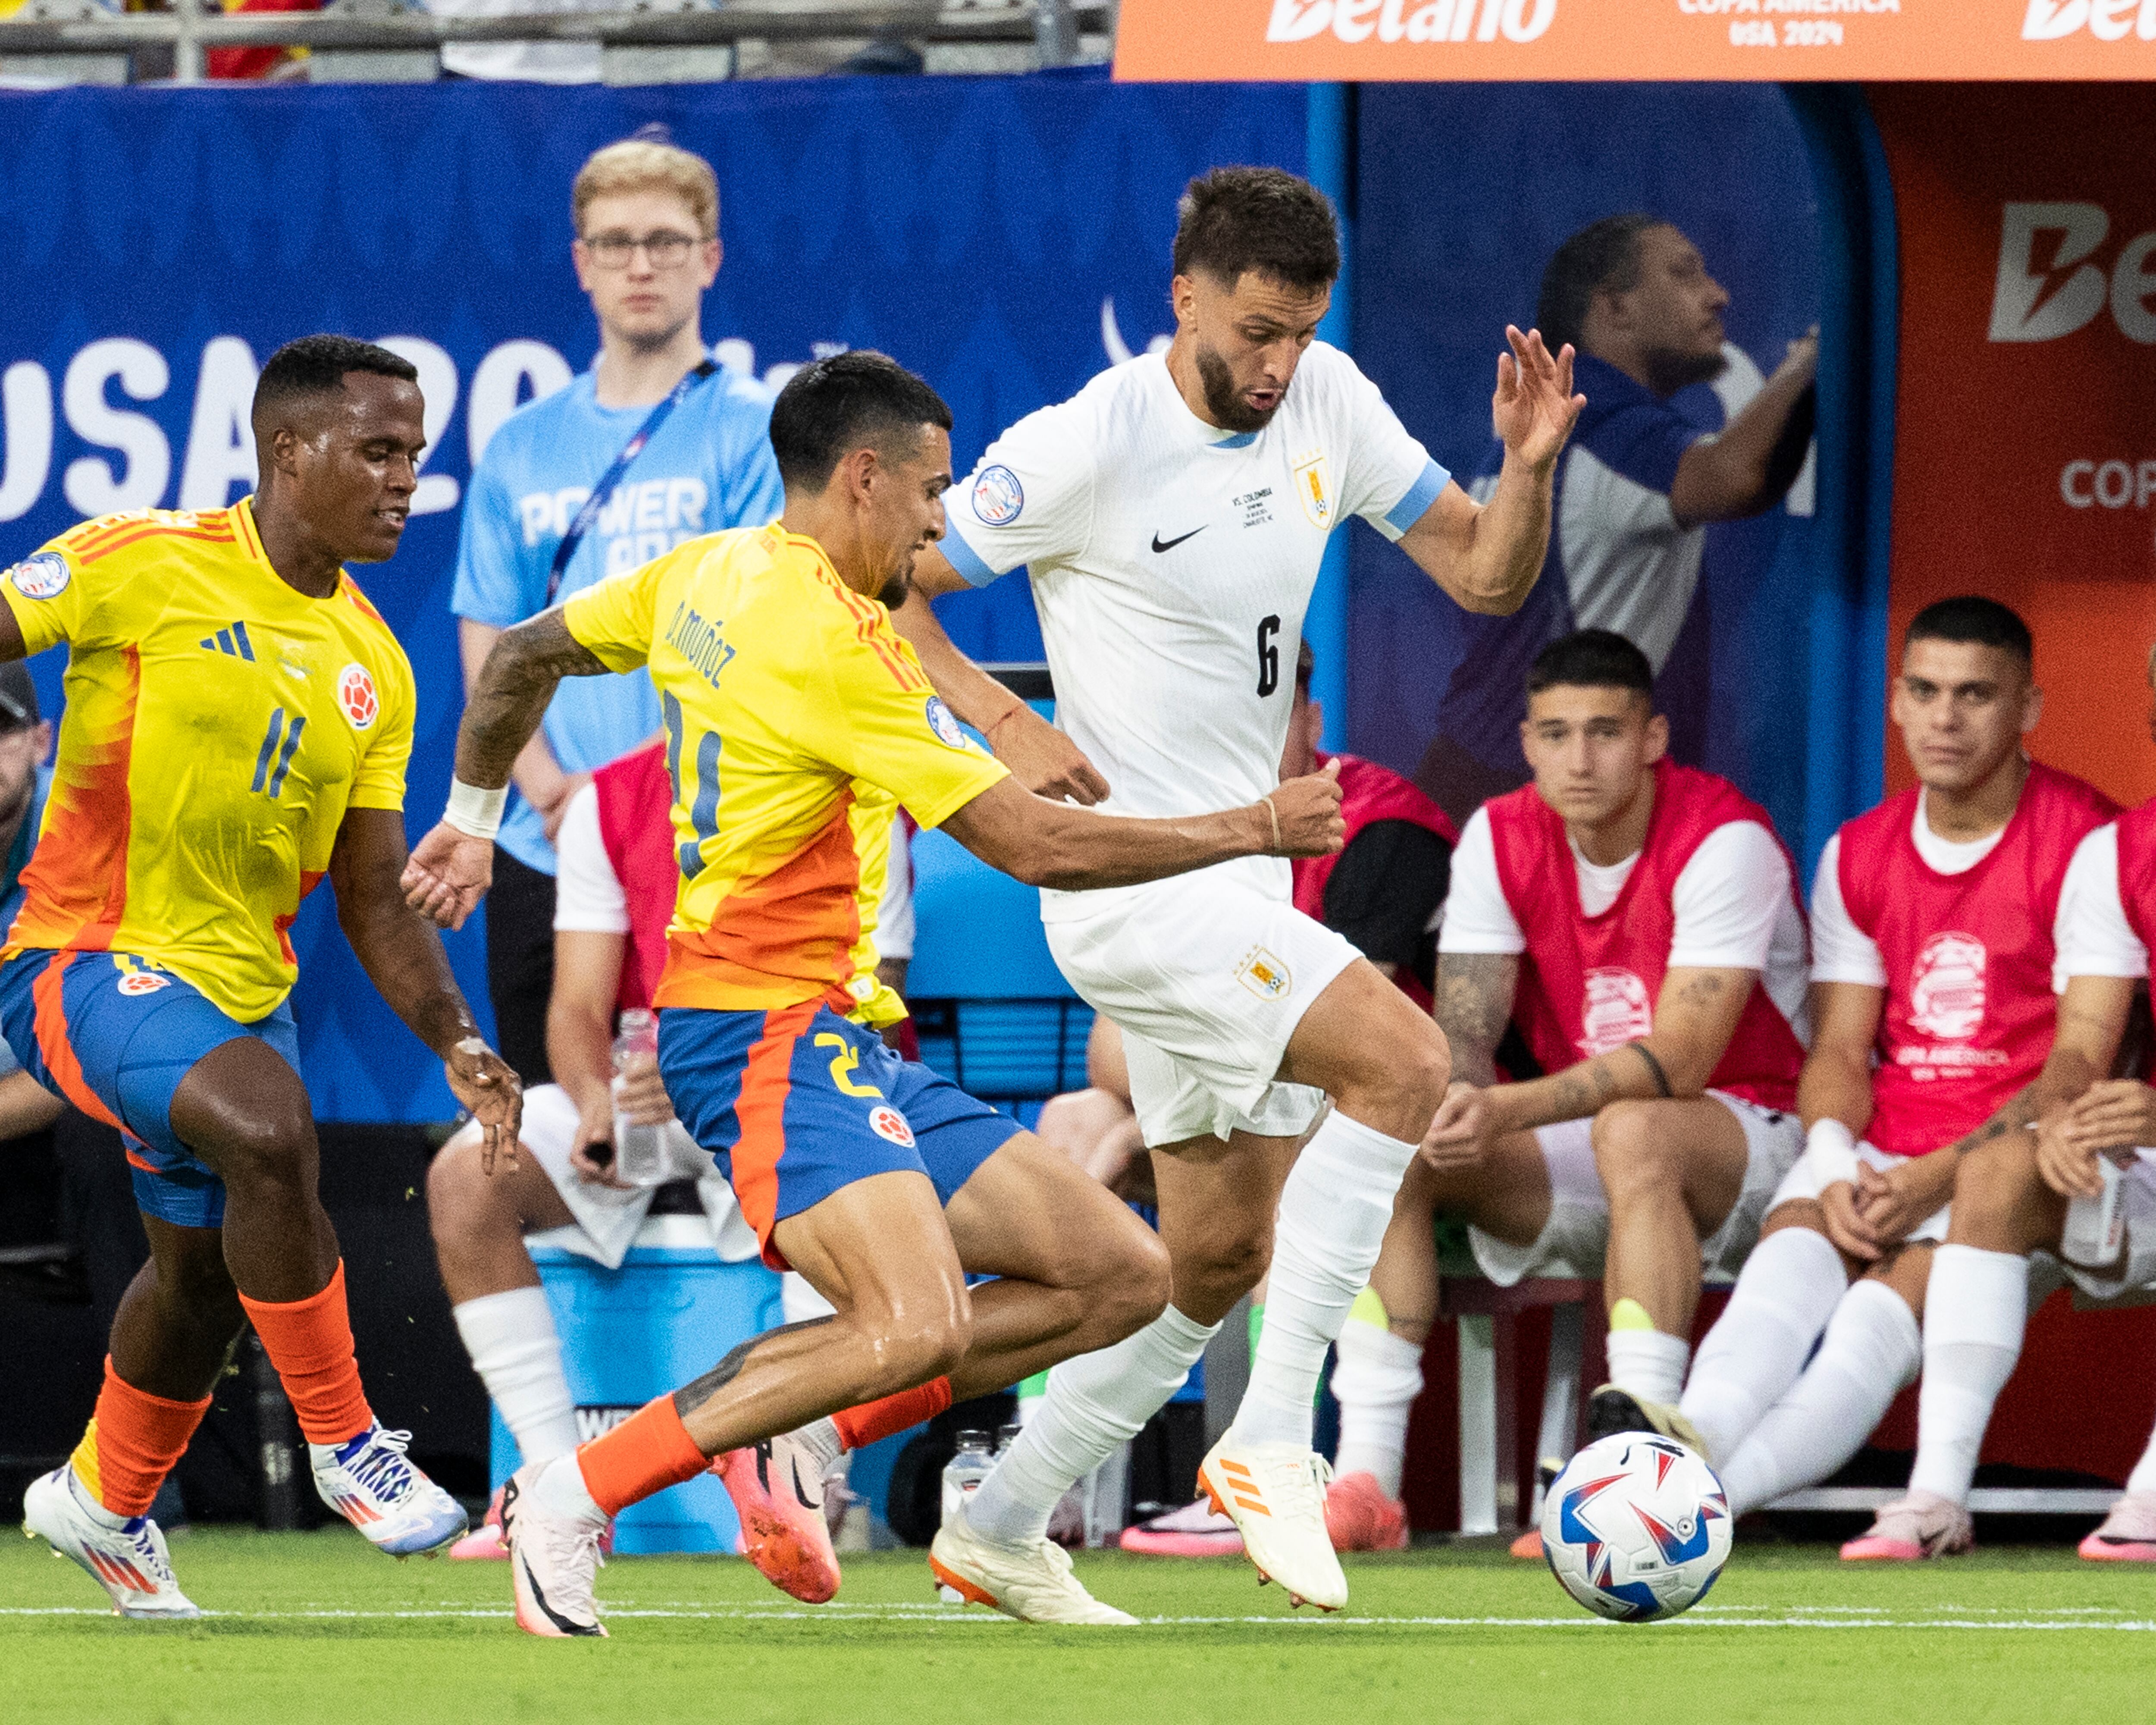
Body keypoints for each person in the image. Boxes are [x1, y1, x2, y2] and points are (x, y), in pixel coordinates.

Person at [401, 349, 1348, 1637]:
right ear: (863, 479)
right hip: (759, 1032)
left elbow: (519, 654)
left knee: (1125, 1273)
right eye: (931, 491)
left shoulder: (703, 573)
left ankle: (790, 1429)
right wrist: (1255, 826)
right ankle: (571, 1494)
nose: (941, 521)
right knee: (913, 1323)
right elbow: (1037, 849)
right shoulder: (844, 651)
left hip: (843, 1038)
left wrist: (469, 815)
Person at [887, 165, 1583, 1615]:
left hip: (1249, 888)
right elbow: (876, 579)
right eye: (1256, 332)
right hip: (1135, 888)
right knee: (1401, 1060)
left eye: (1301, 333)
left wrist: (1527, 467)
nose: (1278, 366)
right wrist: (999, 719)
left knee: (1213, 1255)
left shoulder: (1326, 394)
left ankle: (1002, 1522)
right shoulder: (1083, 444)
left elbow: (1484, 576)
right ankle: (1273, 1438)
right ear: (1184, 297)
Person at [10, 336, 522, 1620]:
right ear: (290, 451)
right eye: (380, 451)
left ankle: (106, 1501)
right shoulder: (147, 560)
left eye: (416, 454)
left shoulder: (376, 666)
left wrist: (456, 1035)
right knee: (270, 1128)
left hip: (246, 996)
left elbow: (372, 899)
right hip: (81, 957)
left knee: (196, 1287)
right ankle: (349, 1440)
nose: (408, 478)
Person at [1329, 628, 1808, 1553]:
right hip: (1588, 1144)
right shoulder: (1499, 833)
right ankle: (1367, 1479)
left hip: (1753, 1142)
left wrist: (1505, 1106)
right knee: (1389, 1139)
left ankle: (1635, 1473)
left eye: (1604, 732)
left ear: (1654, 738)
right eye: (1554, 734)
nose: (1577, 759)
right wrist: (1460, 1100)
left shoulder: (1724, 839)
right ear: (1525, 742)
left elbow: (1685, 1058)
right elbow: (1467, 1029)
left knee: (1638, 1126)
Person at [1674, 597, 2116, 1527]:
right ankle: (1683, 1444)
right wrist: (1834, 1155)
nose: (1945, 718)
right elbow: (1840, 1045)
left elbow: (2078, 1061)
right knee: (1785, 1266)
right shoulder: (1859, 850)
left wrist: (1930, 1179)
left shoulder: (2086, 841)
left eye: (1974, 695)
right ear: (1895, 700)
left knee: (1871, 1322)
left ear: (2029, 708)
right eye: (1924, 690)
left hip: (2008, 1159)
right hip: (1883, 1147)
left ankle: (1702, 1507)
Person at [451, 132, 784, 1088]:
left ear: (710, 259)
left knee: (710, 1119)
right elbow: (490, 632)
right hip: (542, 838)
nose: (642, 264)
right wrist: (551, 789)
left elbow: (757, 629)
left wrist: (646, 802)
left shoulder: (756, 427)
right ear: (581, 264)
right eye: (615, 242)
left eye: (668, 241)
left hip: (697, 834)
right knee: (553, 1128)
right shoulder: (522, 443)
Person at [1837, 644, 2156, 1563]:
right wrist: (2061, 1111)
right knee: (1999, 1164)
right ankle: (1935, 1496)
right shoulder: (2120, 850)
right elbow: (2082, 1044)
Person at [1419, 213, 1818, 825]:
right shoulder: (1603, 426)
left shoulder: (1556, 428)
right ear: (1615, 309)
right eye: (1685, 275)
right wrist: (1812, 360)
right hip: (1531, 807)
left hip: (1486, 788)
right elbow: (1739, 477)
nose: (1718, 295)